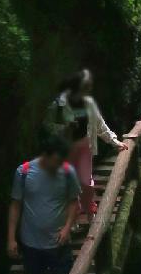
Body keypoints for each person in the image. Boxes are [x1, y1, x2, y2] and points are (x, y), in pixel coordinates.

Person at [6, 133, 82, 274]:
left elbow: (74, 201)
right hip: (31, 244)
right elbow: (15, 204)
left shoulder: (66, 172)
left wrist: (67, 228)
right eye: (55, 161)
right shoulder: (24, 172)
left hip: (58, 243)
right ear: (45, 155)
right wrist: (11, 238)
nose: (57, 166)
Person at [45, 69, 121, 218]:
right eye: (87, 86)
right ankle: (73, 215)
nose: (89, 89)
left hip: (85, 144)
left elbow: (100, 125)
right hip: (66, 147)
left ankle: (89, 207)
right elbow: (48, 125)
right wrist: (65, 127)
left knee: (86, 182)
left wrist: (114, 141)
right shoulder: (59, 104)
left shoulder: (89, 103)